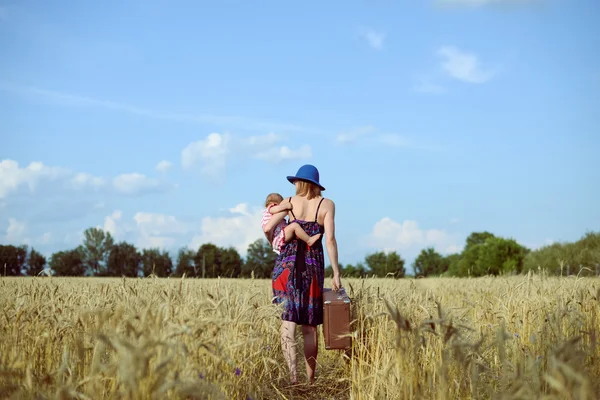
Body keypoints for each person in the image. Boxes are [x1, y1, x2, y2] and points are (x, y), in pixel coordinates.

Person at [270, 164, 342, 385]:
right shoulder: (326, 204)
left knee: (287, 322)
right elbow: (329, 240)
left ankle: (293, 380)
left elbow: (268, 226)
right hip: (312, 266)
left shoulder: (290, 202)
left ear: (298, 182)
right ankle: (310, 383)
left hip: (286, 265)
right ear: (316, 184)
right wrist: (336, 272)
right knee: (309, 326)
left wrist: (275, 242)